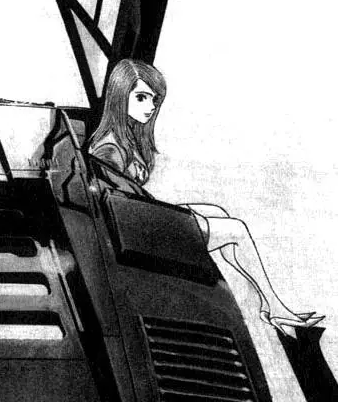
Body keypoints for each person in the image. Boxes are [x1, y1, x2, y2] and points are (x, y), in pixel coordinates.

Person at [87, 58, 323, 336]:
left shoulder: (125, 137)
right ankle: (275, 308)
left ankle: (268, 304)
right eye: (141, 97)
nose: (150, 107)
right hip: (138, 230)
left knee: (218, 213)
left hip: (140, 217)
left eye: (154, 99)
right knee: (236, 230)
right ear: (119, 97)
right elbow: (117, 205)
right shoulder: (110, 149)